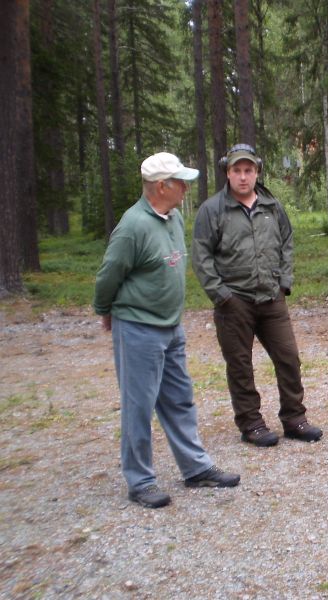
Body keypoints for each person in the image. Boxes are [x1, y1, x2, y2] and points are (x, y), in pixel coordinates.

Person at [93, 152, 240, 509]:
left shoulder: (172, 219)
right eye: (181, 182)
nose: (186, 189)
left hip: (171, 326)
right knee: (138, 406)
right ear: (161, 186)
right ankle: (140, 481)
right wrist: (105, 311)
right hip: (138, 328)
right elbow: (108, 275)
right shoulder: (132, 227)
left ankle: (196, 468)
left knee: (179, 399)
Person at [192, 143, 322, 447]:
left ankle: (294, 419)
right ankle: (251, 423)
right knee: (240, 365)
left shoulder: (272, 206)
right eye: (236, 170)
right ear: (227, 172)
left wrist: (284, 281)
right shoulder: (213, 210)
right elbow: (201, 256)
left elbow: (287, 241)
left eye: (248, 170)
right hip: (234, 301)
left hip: (271, 298)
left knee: (288, 358)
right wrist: (221, 295)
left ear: (256, 172)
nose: (242, 177)